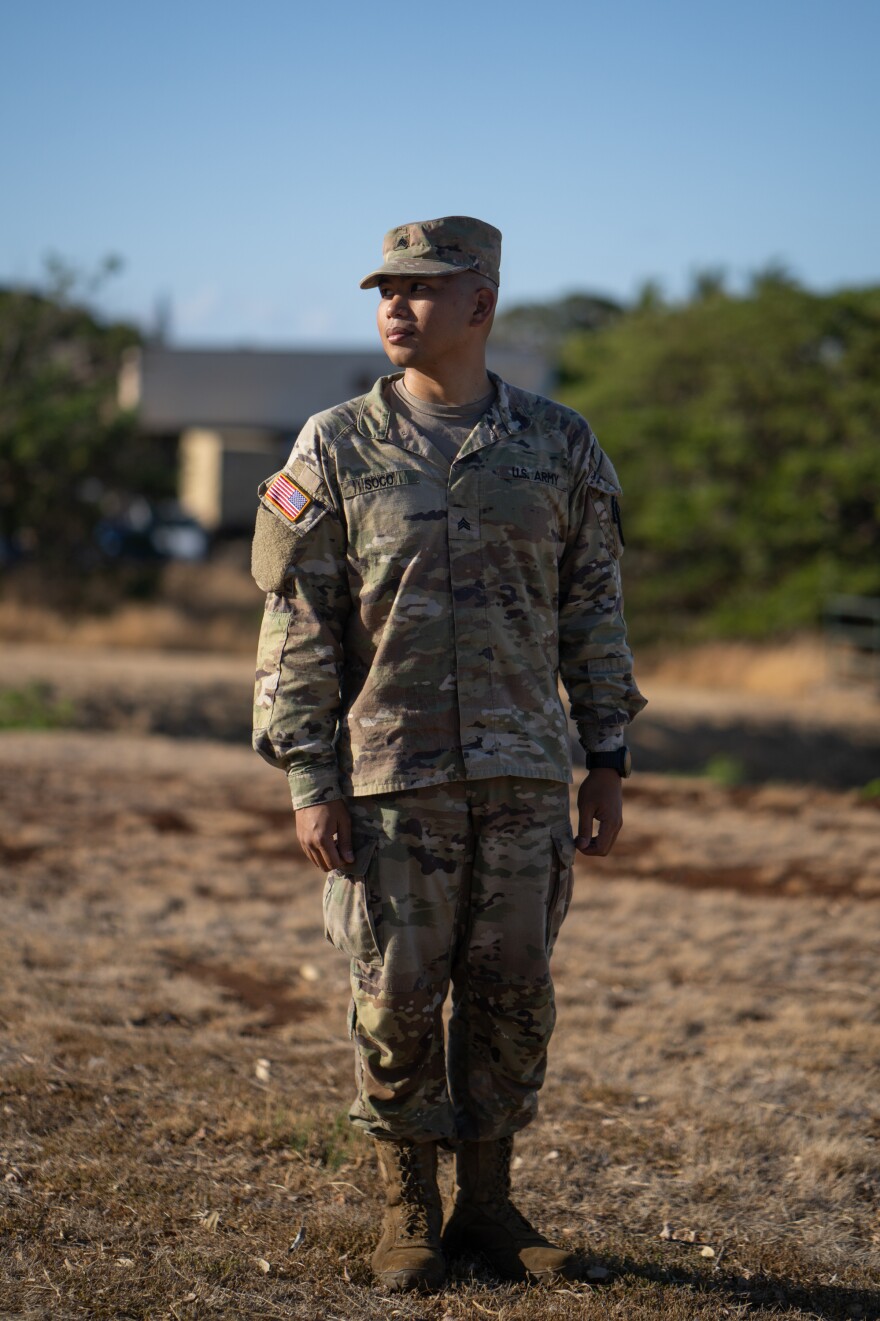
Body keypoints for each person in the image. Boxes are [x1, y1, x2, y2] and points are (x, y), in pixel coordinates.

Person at [251, 215, 645, 1292]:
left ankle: (491, 1202)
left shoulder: (559, 444)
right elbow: (298, 630)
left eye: (422, 289)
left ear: (482, 305)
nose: (394, 305)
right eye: (385, 287)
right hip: (389, 779)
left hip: (523, 772)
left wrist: (604, 753)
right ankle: (406, 1208)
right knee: (396, 999)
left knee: (513, 992)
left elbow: (592, 611)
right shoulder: (332, 447)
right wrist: (307, 779)